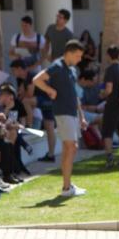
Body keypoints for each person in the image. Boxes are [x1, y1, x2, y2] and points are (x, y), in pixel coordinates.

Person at [34, 40, 87, 197]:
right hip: (63, 112)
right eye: (78, 56)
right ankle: (66, 188)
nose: (80, 59)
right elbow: (37, 79)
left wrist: (81, 116)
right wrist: (50, 90)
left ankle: (67, 185)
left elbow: (74, 94)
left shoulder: (71, 69)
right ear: (69, 53)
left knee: (69, 148)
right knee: (71, 147)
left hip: (71, 113)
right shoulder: (57, 66)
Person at [99, 45, 119, 168]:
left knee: (107, 131)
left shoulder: (110, 70)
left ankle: (109, 158)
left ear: (108, 55)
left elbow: (108, 89)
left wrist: (102, 94)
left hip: (113, 104)